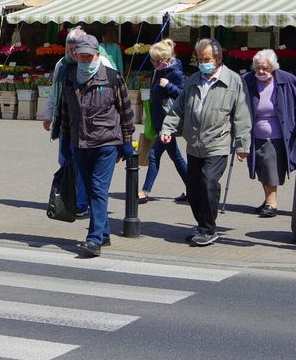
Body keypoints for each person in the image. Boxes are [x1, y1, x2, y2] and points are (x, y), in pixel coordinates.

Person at [160, 39, 252, 247]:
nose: (203, 63)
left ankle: (208, 229)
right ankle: (202, 224)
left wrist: (242, 145)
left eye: (207, 59)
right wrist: (167, 129)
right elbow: (178, 109)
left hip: (217, 143)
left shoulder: (234, 81)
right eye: (200, 59)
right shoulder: (193, 80)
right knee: (193, 188)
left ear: (218, 59)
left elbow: (242, 115)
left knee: (208, 183)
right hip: (194, 144)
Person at [58, 34, 135, 258]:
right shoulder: (71, 77)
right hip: (79, 142)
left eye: (88, 56)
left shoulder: (112, 78)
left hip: (106, 142)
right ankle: (105, 233)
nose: (84, 60)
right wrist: (65, 141)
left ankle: (94, 240)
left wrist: (127, 141)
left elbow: (126, 111)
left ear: (97, 56)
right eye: (81, 56)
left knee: (98, 188)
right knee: (92, 189)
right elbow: (65, 111)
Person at [43, 27, 115, 217]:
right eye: (71, 48)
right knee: (66, 161)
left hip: (96, 128)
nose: (74, 53)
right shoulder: (63, 65)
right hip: (68, 122)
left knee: (85, 167)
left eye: (77, 48)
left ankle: (83, 202)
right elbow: (55, 91)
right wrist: (49, 114)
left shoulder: (102, 63)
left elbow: (115, 94)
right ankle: (75, 198)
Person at [242, 49, 296, 218]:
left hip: (278, 132)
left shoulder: (286, 79)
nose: (260, 72)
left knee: (270, 166)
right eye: (257, 68)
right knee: (260, 167)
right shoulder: (247, 80)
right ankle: (267, 200)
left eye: (264, 68)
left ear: (273, 67)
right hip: (254, 132)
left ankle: (272, 203)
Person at [141, 39, 187, 202]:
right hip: (161, 120)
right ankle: (194, 189)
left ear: (167, 60)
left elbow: (183, 95)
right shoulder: (160, 70)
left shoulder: (175, 72)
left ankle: (145, 191)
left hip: (170, 121)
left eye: (157, 61)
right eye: (153, 61)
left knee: (154, 155)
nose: (154, 64)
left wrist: (168, 86)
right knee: (176, 157)